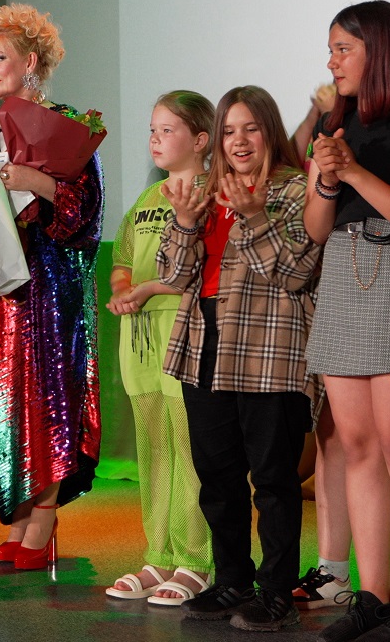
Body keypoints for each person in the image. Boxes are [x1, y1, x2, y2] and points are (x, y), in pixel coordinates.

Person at [160, 86, 321, 632]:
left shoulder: (295, 190)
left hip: (268, 354)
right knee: (217, 477)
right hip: (202, 349)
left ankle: (276, 591)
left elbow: (295, 273)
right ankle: (232, 579)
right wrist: (184, 222)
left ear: (269, 130)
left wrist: (252, 216)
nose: (239, 141)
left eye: (250, 128)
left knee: (273, 481)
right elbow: (174, 275)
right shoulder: (203, 193)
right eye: (229, 131)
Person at [302, 1, 390, 642]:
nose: (331, 62)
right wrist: (328, 178)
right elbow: (315, 228)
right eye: (331, 49)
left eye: (343, 49)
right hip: (343, 273)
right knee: (356, 446)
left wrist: (353, 170)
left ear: (378, 50)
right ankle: (373, 596)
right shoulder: (336, 121)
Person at [0, 3, 103, 570]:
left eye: (0, 58)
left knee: (46, 393)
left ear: (31, 62)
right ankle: (20, 514)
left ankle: (44, 516)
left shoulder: (67, 124)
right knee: (2, 394)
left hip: (47, 282)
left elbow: (84, 214)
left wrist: (34, 181)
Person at [105, 91, 213, 603]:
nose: (155, 139)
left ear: (201, 139)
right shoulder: (148, 198)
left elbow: (205, 265)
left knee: (190, 451)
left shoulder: (213, 193)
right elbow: (123, 258)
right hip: (140, 343)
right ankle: (159, 554)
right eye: (152, 129)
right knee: (154, 450)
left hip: (186, 335)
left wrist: (150, 290)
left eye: (167, 130)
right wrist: (122, 288)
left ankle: (196, 559)